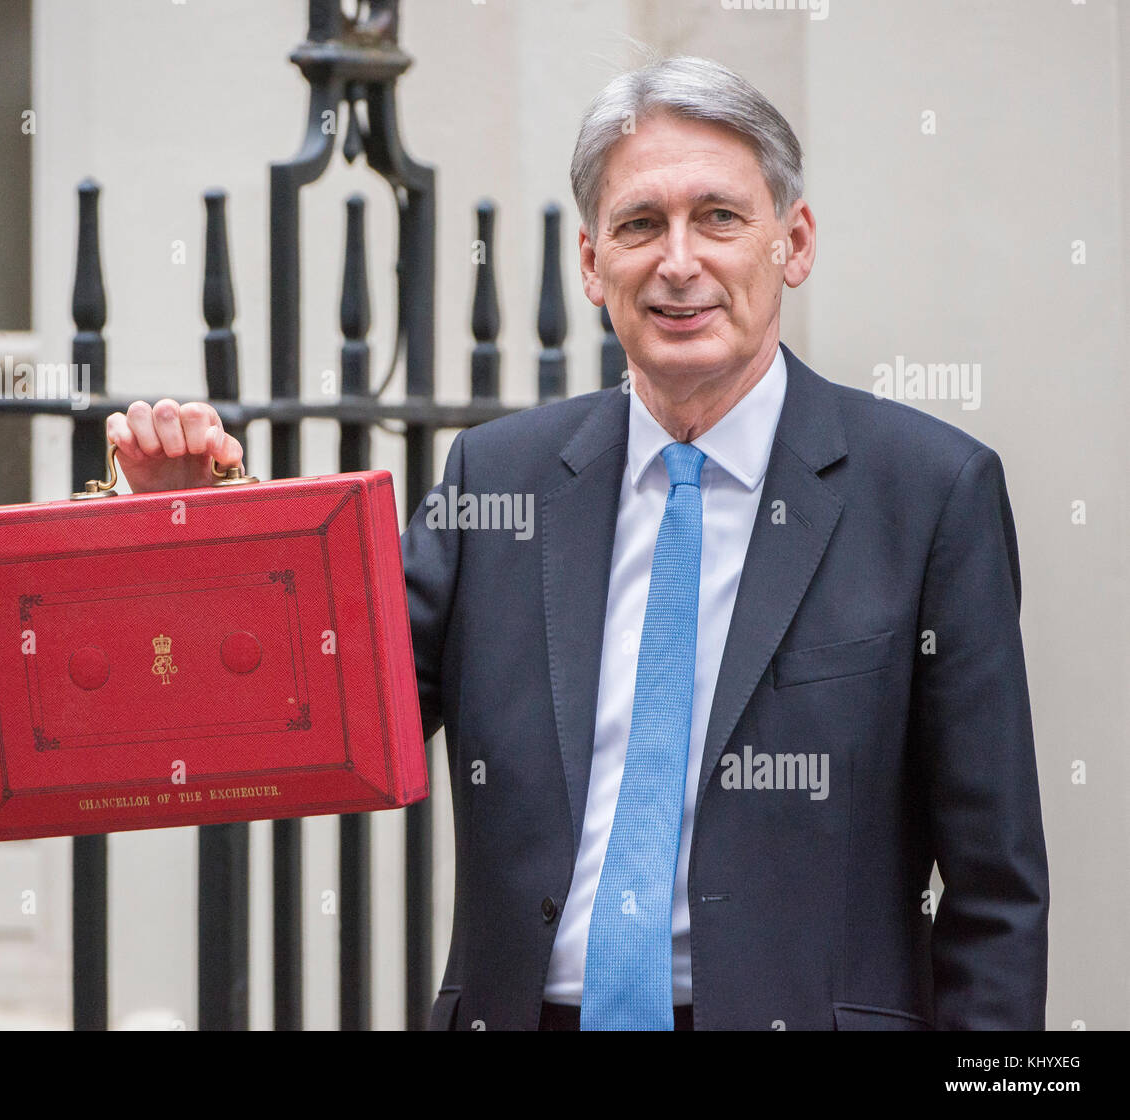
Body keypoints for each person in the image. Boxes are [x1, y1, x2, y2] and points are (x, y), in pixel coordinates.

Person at [109, 55, 1048, 1031]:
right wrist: (189, 542)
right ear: (593, 264)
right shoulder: (498, 482)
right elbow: (312, 705)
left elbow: (995, 888)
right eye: (640, 224)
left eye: (720, 217)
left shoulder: (929, 493)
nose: (678, 260)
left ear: (792, 243)